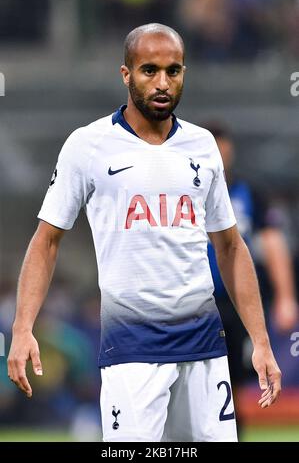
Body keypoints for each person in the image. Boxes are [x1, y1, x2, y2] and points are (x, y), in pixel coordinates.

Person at [7, 23, 281, 442]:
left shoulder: (203, 145)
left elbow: (229, 246)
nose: (162, 83)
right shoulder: (88, 145)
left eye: (173, 71)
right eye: (149, 70)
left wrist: (261, 341)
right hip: (131, 349)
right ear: (125, 74)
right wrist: (24, 328)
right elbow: (46, 241)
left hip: (205, 345)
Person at [205, 122, 298, 435]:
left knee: (232, 377)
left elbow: (273, 243)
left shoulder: (248, 193)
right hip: (197, 302)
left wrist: (286, 297)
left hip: (238, 304)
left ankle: (230, 432)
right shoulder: (186, 192)